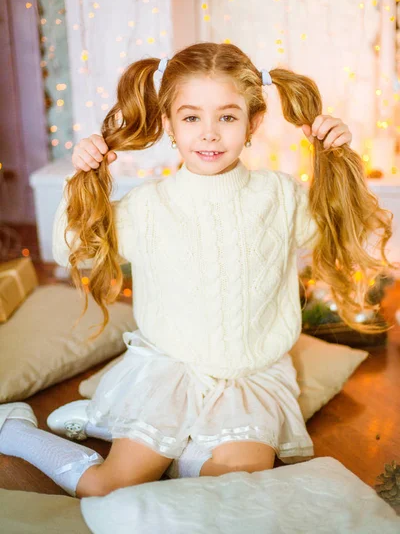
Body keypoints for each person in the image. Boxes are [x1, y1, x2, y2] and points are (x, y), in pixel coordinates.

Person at [0, 42, 394, 499]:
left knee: (227, 500)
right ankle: (19, 431)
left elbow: (355, 236)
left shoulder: (281, 197)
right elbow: (73, 248)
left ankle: (118, 425)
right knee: (106, 488)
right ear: (168, 123)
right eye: (191, 118)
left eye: (226, 117)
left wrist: (340, 158)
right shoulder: (148, 206)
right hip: (171, 370)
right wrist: (81, 177)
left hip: (252, 378)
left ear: (254, 123)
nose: (209, 134)